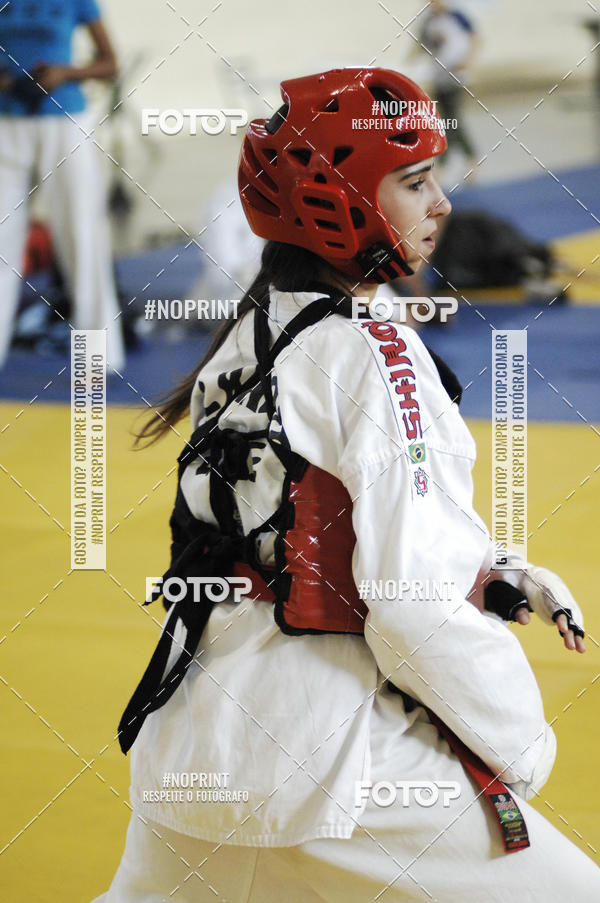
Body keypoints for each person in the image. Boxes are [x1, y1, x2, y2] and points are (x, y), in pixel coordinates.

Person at [92, 68, 600, 902]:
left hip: (193, 748)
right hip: (333, 765)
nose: (441, 202)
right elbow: (411, 601)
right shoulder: (377, 353)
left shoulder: (249, 334)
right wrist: (521, 747)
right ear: (344, 204)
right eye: (413, 181)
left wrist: (497, 568)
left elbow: (296, 525)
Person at [0, 0, 125, 370]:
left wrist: (64, 74)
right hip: (7, 123)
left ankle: (99, 359)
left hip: (65, 121)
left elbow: (110, 63)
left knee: (81, 237)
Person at [416, 0, 479, 169]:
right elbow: (421, 45)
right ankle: (466, 158)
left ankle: (454, 160)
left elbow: (476, 38)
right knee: (445, 120)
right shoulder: (428, 22)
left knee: (452, 119)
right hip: (439, 77)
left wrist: (467, 60)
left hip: (456, 77)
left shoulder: (457, 17)